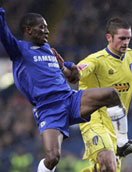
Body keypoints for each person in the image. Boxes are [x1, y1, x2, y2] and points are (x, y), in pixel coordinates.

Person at [0, 8, 125, 172]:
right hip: (48, 108)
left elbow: (72, 77)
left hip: (70, 99)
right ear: (28, 30)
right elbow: (3, 32)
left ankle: (123, 141)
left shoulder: (49, 51)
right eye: (42, 27)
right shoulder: (19, 50)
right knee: (53, 158)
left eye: (46, 27)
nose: (47, 30)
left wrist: (68, 69)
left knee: (111, 94)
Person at [77, 17, 132, 172]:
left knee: (107, 169)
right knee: (108, 162)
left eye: (128, 38)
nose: (126, 42)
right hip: (94, 120)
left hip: (117, 128)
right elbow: (77, 71)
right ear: (109, 37)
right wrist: (68, 70)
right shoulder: (96, 61)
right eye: (122, 38)